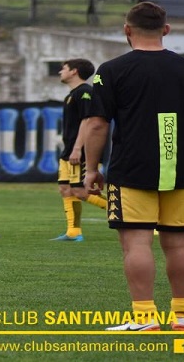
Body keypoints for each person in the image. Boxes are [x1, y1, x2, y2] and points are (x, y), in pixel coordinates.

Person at [83, 2, 184, 331]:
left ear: (127, 31)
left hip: (132, 170)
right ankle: (183, 317)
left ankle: (145, 319)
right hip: (181, 170)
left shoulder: (112, 70)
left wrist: (91, 168)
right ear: (166, 30)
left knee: (137, 243)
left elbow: (98, 124)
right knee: (179, 243)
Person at [52, 58, 107, 242]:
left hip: (80, 151)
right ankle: (73, 232)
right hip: (68, 150)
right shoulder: (72, 94)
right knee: (65, 189)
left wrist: (78, 149)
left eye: (64, 68)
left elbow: (88, 120)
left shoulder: (85, 92)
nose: (61, 71)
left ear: (74, 71)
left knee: (81, 192)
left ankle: (127, 212)